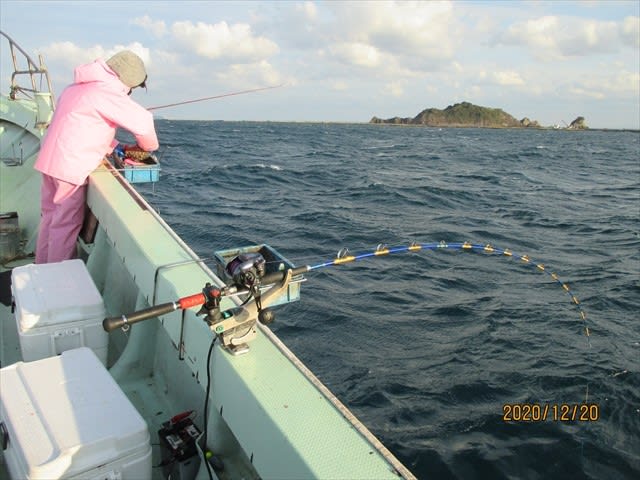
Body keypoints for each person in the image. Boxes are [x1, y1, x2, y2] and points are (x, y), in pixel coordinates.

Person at [34, 50, 159, 264]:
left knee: (49, 218)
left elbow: (82, 125)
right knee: (64, 225)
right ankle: (55, 278)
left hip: (49, 161)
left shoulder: (77, 87)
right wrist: (148, 147)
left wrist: (115, 146)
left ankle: (40, 268)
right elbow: (144, 124)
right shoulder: (108, 92)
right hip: (70, 168)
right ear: (127, 80)